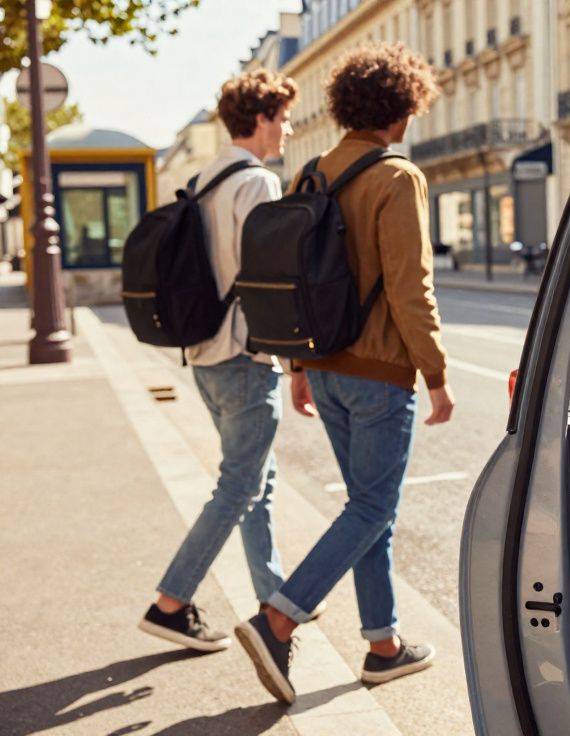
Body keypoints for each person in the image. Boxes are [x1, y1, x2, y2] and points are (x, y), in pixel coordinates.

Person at [234, 42, 453, 704]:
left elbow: (295, 280)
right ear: (404, 105)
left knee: (368, 509)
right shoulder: (397, 176)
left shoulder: (312, 175)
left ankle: (383, 644)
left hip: (322, 366)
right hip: (380, 371)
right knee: (371, 506)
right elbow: (411, 289)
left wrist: (299, 366)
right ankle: (280, 617)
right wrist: (436, 374)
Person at [138, 70, 300, 651]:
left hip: (205, 351)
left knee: (260, 480)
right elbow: (267, 281)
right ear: (259, 119)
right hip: (244, 356)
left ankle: (272, 596)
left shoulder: (204, 178)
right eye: (281, 118)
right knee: (239, 486)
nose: (287, 128)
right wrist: (289, 358)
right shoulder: (256, 183)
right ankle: (170, 603)